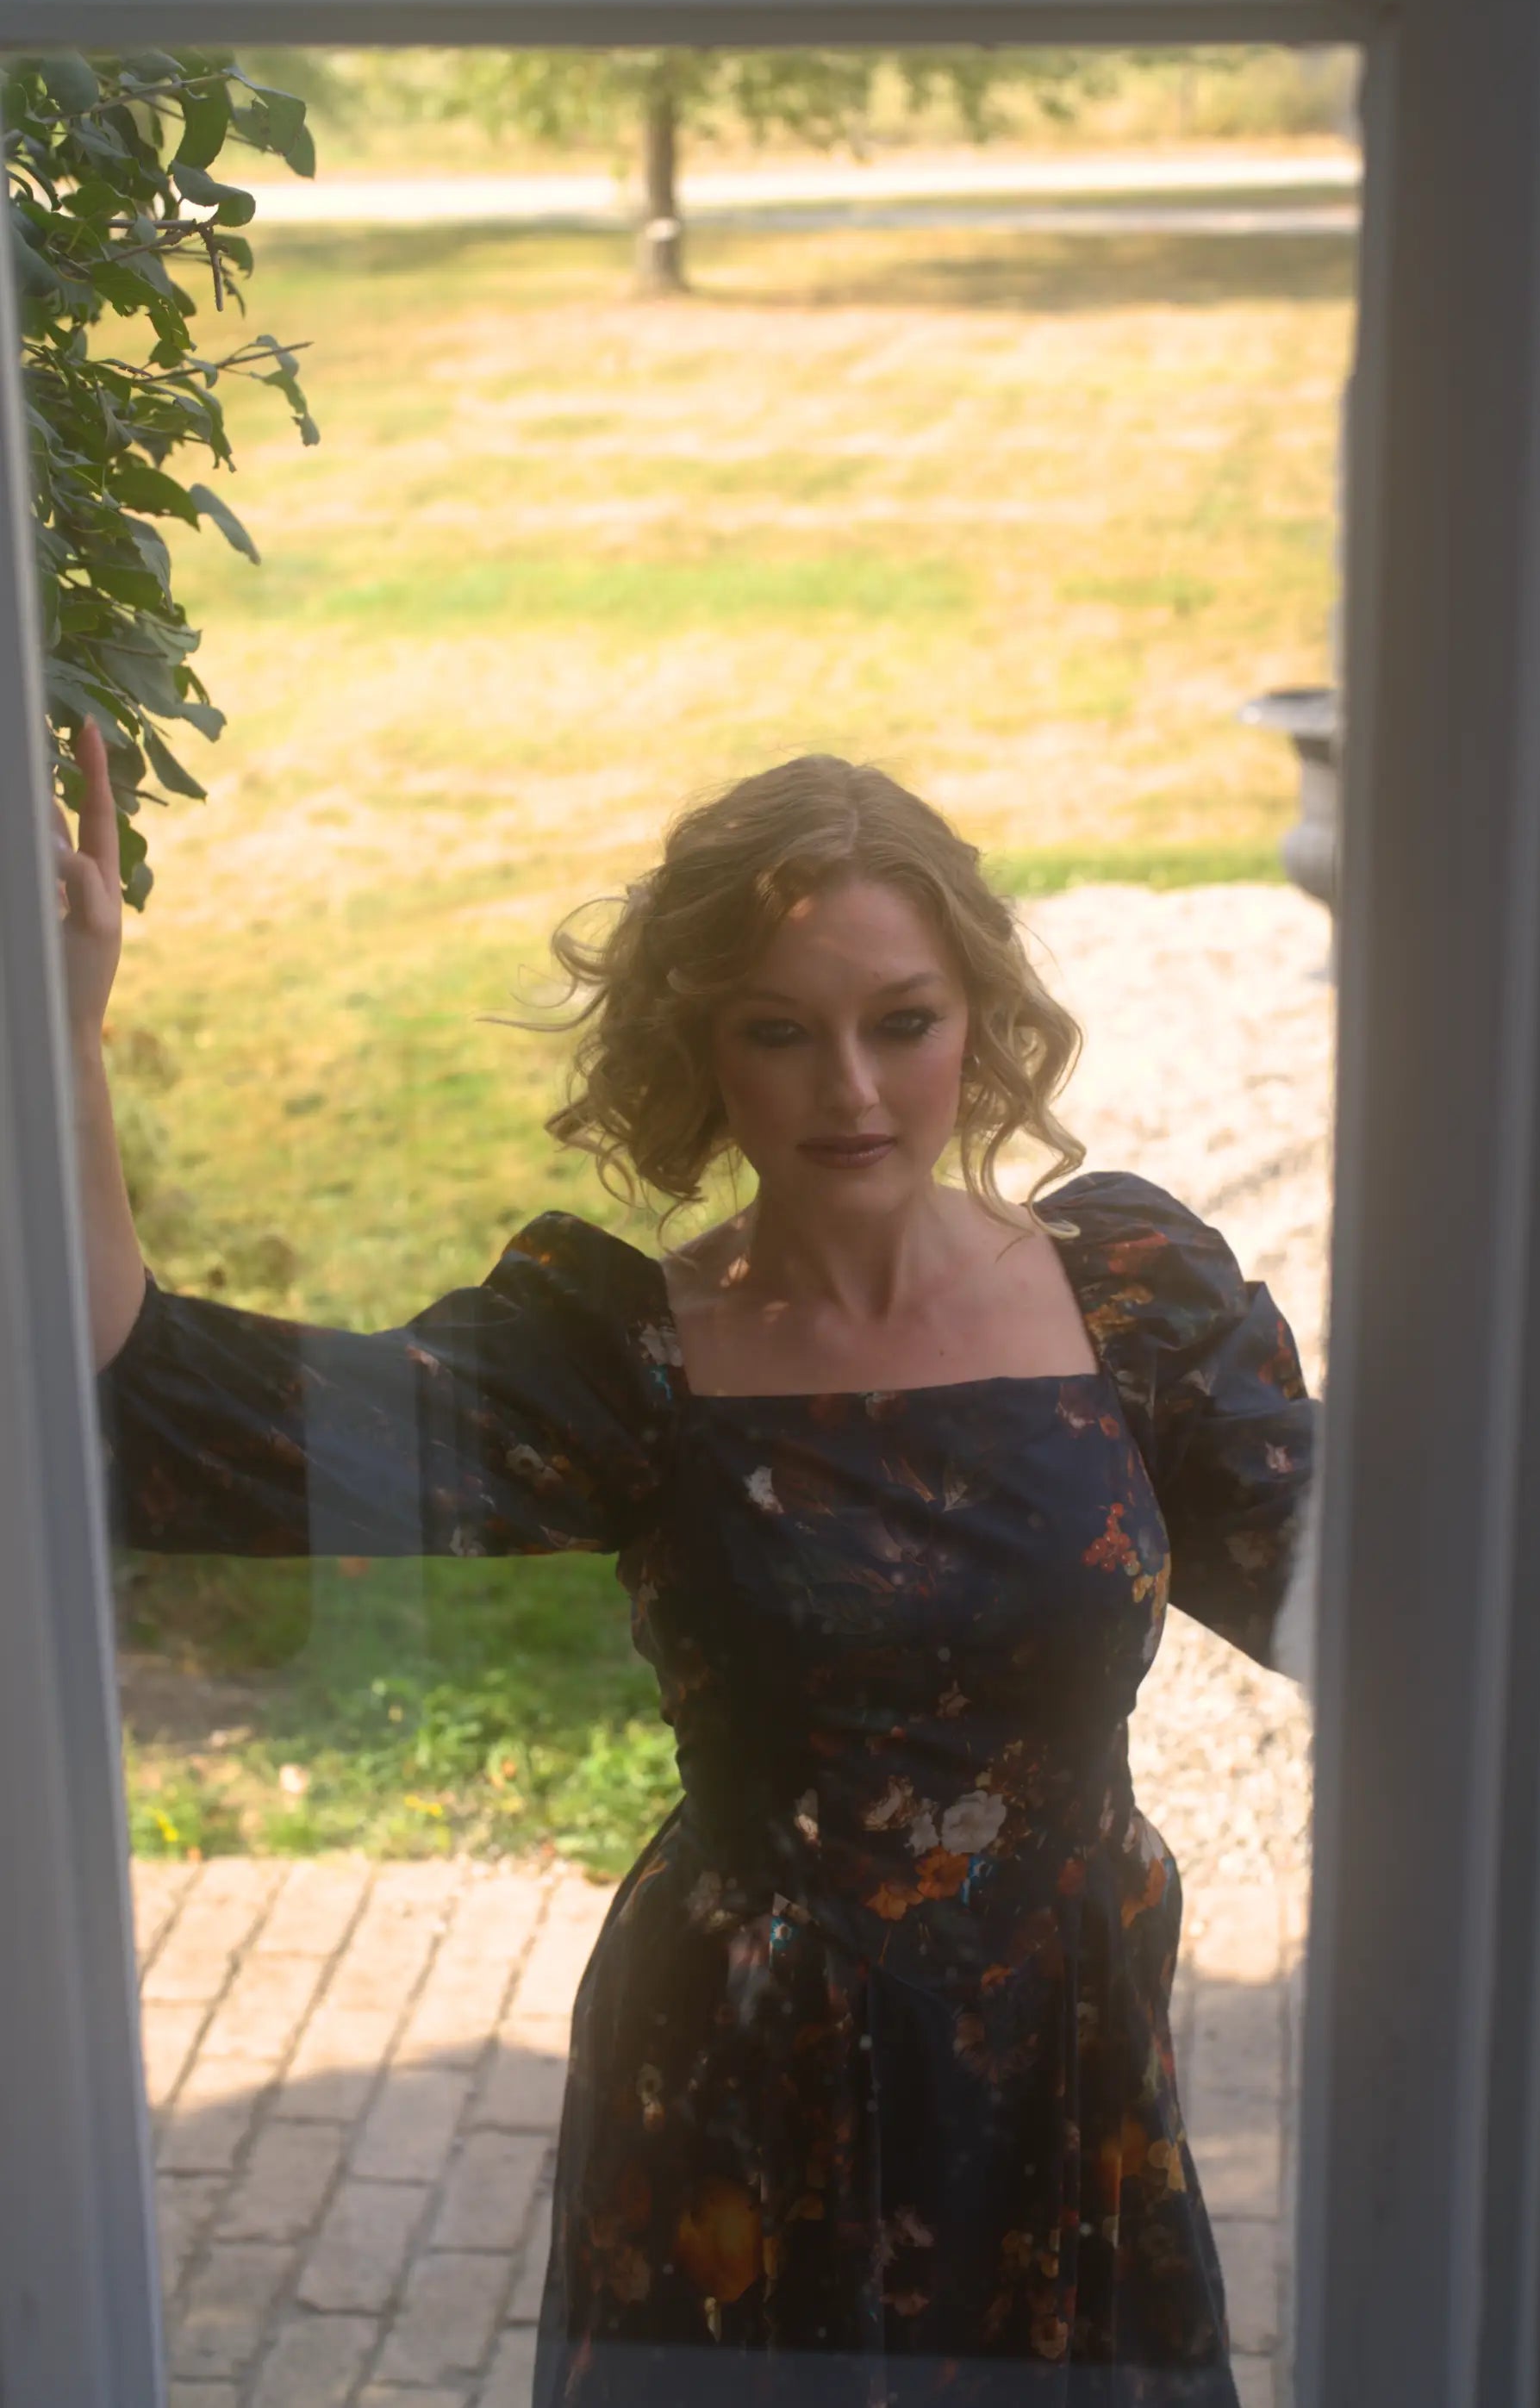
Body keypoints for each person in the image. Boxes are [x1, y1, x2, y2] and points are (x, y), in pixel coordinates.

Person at [56, 723, 1315, 2408]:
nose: (851, 1092)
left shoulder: (1130, 1301)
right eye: (779, 1034)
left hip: (1062, 2056)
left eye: (903, 1025)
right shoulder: (633, 1356)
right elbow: (167, 1415)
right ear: (702, 1052)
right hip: (742, 2069)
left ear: (981, 1021)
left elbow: (1398, 1601)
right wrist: (62, 1035)